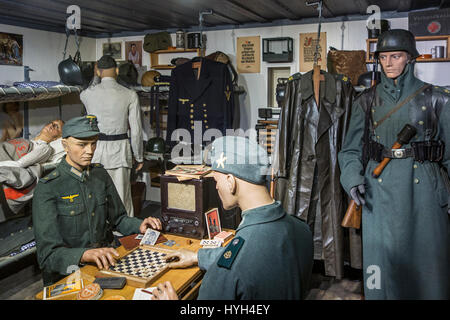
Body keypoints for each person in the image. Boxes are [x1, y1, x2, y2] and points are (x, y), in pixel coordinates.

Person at [338, 29, 450, 299]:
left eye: (396, 56)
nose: (388, 63)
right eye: (384, 57)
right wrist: (352, 178)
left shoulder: (437, 98)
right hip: (379, 189)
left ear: (410, 59)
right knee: (382, 266)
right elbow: (349, 150)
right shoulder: (365, 100)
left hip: (424, 190)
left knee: (428, 263)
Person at [151, 136, 313, 300]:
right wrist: (197, 256)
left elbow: (241, 259)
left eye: (216, 180)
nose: (216, 187)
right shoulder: (302, 230)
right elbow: (257, 256)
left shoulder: (226, 272)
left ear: (230, 182)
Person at [32, 115, 161, 286]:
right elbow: (47, 255)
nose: (90, 150)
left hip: (105, 261)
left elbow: (119, 219)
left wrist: (140, 225)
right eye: (82, 144)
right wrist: (85, 254)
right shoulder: (49, 187)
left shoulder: (99, 175)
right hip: (69, 271)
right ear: (65, 145)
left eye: (93, 143)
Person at [80, 55, 144, 217]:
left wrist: (96, 75)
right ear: (116, 70)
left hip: (96, 151)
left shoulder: (87, 95)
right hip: (120, 151)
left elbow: (90, 88)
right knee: (123, 198)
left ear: (98, 71)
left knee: (97, 196)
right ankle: (125, 235)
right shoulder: (130, 95)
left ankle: (100, 234)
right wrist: (139, 156)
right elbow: (135, 130)